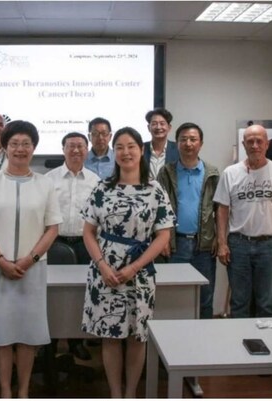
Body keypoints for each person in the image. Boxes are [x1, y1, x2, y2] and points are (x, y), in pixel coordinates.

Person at [81, 127, 174, 398]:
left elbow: (163, 234)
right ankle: (115, 393)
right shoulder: (102, 188)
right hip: (105, 271)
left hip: (141, 271)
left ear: (141, 150)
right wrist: (102, 265)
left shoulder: (155, 190)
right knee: (110, 336)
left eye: (131, 146)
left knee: (137, 336)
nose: (125, 152)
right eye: (119, 146)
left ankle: (132, 392)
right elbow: (88, 231)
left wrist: (134, 267)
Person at [0, 120, 62, 398]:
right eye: (14, 144)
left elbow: (53, 228)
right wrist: (0, 260)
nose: (20, 149)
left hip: (31, 270)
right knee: (0, 333)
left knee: (27, 333)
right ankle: (5, 390)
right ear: (5, 146)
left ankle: (23, 390)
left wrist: (29, 259)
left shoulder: (45, 184)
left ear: (34, 148)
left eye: (26, 144)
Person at [213, 124, 272, 318]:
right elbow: (222, 209)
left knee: (266, 303)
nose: (255, 145)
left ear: (268, 144)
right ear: (243, 144)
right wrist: (222, 243)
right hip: (238, 245)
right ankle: (238, 342)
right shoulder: (230, 173)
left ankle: (266, 344)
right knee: (239, 302)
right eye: (250, 141)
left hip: (269, 246)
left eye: (259, 141)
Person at [45, 131, 100, 361]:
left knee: (81, 295)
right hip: (55, 243)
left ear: (87, 151)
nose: (75, 150)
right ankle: (51, 342)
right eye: (71, 146)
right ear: (63, 149)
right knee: (54, 296)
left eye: (80, 146)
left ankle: (77, 340)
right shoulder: (49, 178)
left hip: (84, 243)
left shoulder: (96, 181)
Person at [157, 122, 220, 319]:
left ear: (201, 143)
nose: (188, 143)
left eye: (193, 139)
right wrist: (163, 238)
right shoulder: (166, 172)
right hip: (176, 244)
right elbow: (158, 208)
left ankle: (205, 343)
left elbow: (221, 209)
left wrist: (220, 238)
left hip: (205, 245)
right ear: (177, 144)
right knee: (175, 297)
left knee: (205, 297)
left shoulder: (212, 173)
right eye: (183, 139)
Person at [143, 108, 180, 180]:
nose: (158, 127)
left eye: (162, 123)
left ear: (169, 127)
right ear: (148, 128)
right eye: (154, 124)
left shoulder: (178, 149)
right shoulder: (140, 148)